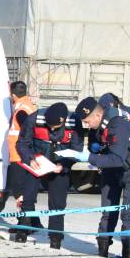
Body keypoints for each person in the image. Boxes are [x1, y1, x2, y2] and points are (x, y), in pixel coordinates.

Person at [69, 94, 130, 258]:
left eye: (87, 121)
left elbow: (117, 159)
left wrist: (87, 158)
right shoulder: (104, 124)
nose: (86, 125)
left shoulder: (118, 124)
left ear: (98, 115)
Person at [15, 102, 82, 249]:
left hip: (59, 167)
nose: (51, 129)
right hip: (36, 164)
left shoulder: (74, 122)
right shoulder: (34, 118)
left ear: (63, 121)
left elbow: (77, 149)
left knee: (57, 204)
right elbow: (22, 143)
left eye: (55, 127)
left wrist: (64, 165)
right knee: (28, 197)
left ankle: (55, 237)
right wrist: (29, 158)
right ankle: (23, 230)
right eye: (49, 125)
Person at [75, 96, 123, 258]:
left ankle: (128, 249)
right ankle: (103, 245)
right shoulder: (97, 126)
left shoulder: (122, 120)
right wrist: (99, 147)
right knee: (108, 211)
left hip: (126, 170)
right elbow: (92, 147)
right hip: (109, 170)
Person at [6, 81, 37, 239]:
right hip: (23, 156)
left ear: (13, 95)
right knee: (25, 192)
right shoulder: (28, 105)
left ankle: (24, 227)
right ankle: (28, 223)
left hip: (19, 156)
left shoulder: (21, 110)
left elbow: (26, 131)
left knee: (19, 192)